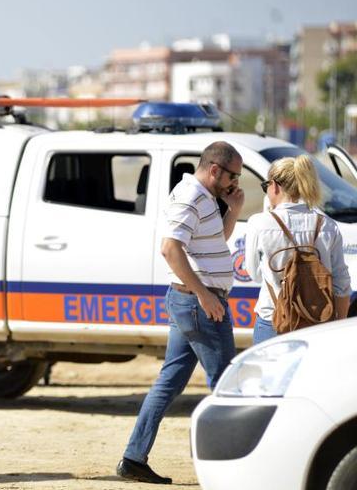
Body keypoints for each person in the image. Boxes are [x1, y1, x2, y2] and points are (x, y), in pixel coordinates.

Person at [117, 141, 244, 485]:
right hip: (199, 303)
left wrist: (232, 210)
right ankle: (230, 468)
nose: (236, 183)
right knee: (226, 387)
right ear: (215, 169)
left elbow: (214, 243)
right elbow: (170, 249)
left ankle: (133, 456)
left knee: (168, 384)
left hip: (191, 300)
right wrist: (204, 295)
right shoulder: (191, 196)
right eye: (233, 176)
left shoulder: (203, 197)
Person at [244, 155, 350, 344]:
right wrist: (338, 326)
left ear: (275, 186)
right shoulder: (327, 225)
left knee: (270, 375)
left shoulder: (259, 223)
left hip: (273, 320)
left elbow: (255, 275)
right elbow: (341, 285)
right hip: (317, 323)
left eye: (265, 186)